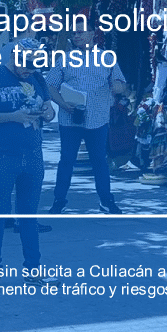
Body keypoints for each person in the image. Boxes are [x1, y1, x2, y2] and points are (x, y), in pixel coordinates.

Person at [0, 38, 58, 285]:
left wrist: (48, 114)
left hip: (33, 155)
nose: (28, 70)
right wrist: (12, 116)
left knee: (29, 215)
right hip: (1, 156)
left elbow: (49, 110)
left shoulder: (37, 79)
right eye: (25, 65)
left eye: (34, 66)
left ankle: (33, 269)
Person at [46, 24, 128, 215]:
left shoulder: (107, 58)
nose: (76, 36)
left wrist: (116, 87)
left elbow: (121, 84)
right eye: (74, 33)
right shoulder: (64, 59)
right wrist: (63, 104)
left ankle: (106, 201)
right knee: (66, 160)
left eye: (80, 32)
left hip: (98, 118)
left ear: (92, 34)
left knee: (99, 160)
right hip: (70, 117)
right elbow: (50, 85)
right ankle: (59, 201)